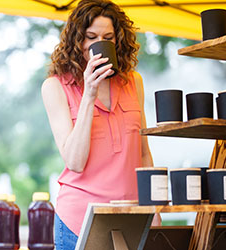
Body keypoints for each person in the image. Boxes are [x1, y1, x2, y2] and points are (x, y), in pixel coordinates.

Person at [41, 1, 157, 249]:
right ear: (76, 39)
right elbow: (74, 161)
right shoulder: (55, 87)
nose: (97, 44)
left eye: (108, 37)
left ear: (118, 41)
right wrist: (89, 93)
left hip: (133, 217)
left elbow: (144, 153)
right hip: (78, 220)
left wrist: (154, 207)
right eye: (90, 37)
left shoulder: (133, 81)